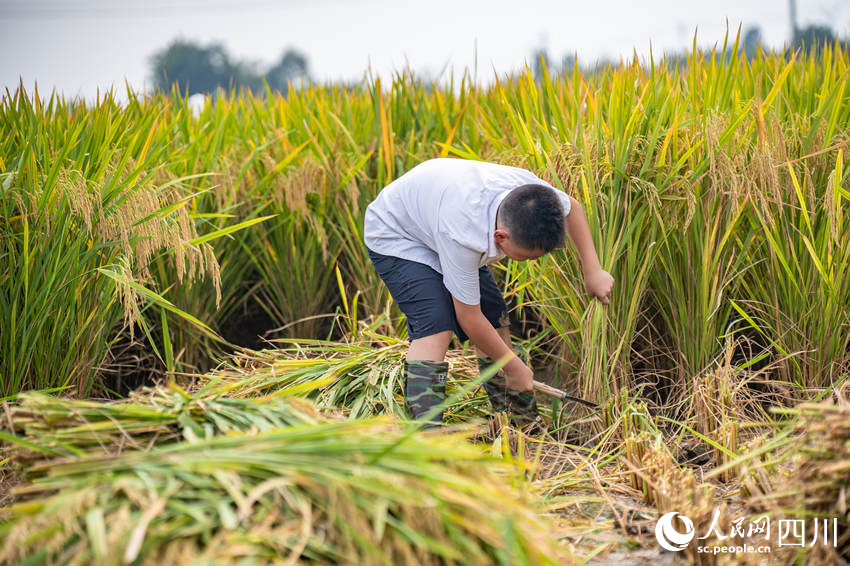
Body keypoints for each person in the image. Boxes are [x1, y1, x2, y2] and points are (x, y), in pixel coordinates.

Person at [364, 157, 614, 428]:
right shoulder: (464, 235)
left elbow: (572, 208)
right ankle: (426, 439)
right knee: (435, 326)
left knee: (495, 318)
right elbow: (469, 318)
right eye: (527, 258)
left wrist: (593, 271)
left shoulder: (532, 194)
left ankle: (520, 425)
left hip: (436, 210)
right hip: (398, 233)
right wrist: (513, 366)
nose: (533, 262)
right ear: (500, 237)